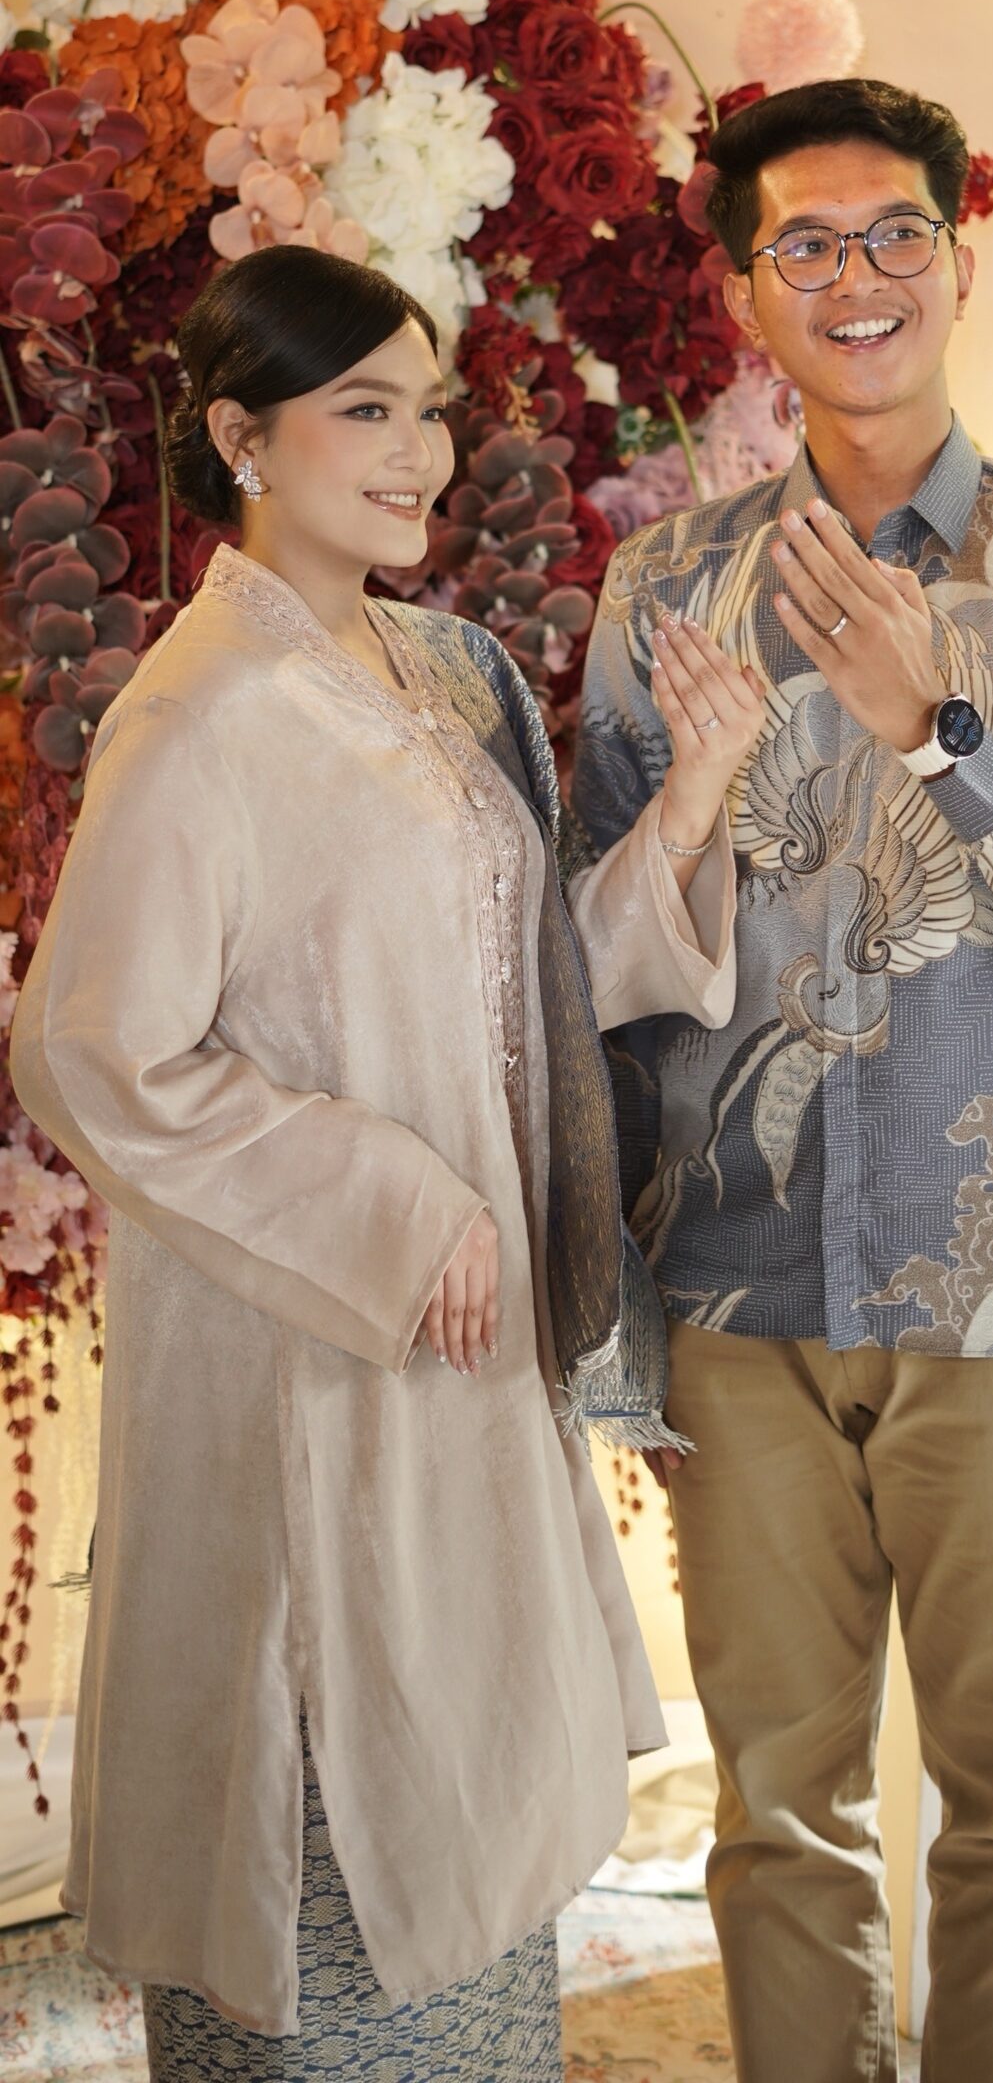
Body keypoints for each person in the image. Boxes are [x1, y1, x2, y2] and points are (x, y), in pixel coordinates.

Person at [10, 244, 764, 2080]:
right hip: (314, 1348)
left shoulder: (434, 668)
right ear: (239, 437)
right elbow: (92, 1048)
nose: (419, 452)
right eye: (364, 409)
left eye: (427, 408)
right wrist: (395, 1200)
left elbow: (516, 988)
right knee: (327, 1827)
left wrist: (686, 806)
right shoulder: (201, 717)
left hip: (454, 1353)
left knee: (471, 1833)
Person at [572, 76, 993, 2083]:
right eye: (806, 244)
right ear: (747, 292)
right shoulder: (663, 589)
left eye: (894, 233)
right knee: (777, 1816)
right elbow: (597, 957)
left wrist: (945, 730)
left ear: (958, 256)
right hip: (742, 1289)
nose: (856, 276)